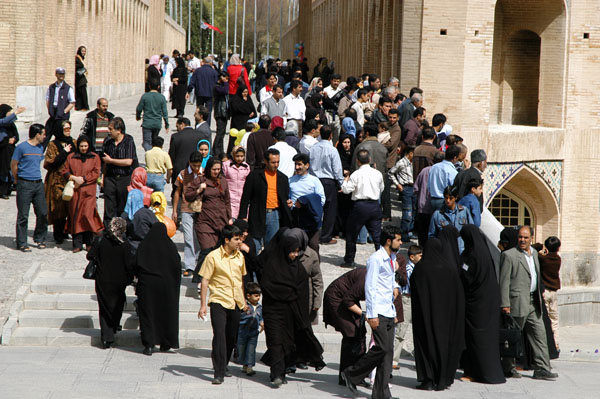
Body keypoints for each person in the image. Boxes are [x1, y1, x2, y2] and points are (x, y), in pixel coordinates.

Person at [258, 227, 326, 387]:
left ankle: (282, 371)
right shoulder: (272, 265)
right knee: (275, 341)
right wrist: (287, 293)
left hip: (291, 312)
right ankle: (276, 374)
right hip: (273, 310)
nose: (296, 255)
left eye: (297, 251)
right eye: (293, 252)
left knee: (287, 342)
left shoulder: (299, 269)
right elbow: (267, 286)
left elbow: (303, 292)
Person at [341, 224, 402, 399]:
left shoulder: (391, 257)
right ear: (389, 241)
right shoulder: (376, 259)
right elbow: (370, 286)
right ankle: (352, 374)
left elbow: (389, 278)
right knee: (381, 348)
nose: (401, 242)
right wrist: (372, 314)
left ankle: (382, 394)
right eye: (398, 239)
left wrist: (395, 286)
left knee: (387, 353)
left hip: (389, 310)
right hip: (379, 311)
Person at [499, 226, 559, 381]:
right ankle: (508, 367)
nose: (522, 240)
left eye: (525, 237)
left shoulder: (534, 254)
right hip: (517, 302)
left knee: (540, 335)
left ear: (531, 237)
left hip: (534, 302)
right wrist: (505, 303)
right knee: (512, 337)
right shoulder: (509, 255)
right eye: (520, 237)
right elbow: (504, 281)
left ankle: (542, 368)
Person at [410, 236, 465, 391]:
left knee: (425, 345)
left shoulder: (421, 268)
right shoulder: (449, 269)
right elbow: (458, 295)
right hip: (446, 319)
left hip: (425, 317)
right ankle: (443, 379)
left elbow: (414, 288)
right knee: (444, 346)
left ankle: (427, 380)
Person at [198, 225, 248, 385]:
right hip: (219, 300)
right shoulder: (213, 257)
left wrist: (244, 301)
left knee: (231, 336)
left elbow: (241, 280)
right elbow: (205, 280)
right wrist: (203, 305)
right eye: (236, 239)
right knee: (219, 335)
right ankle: (218, 372)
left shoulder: (240, 257)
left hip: (236, 302)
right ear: (227, 240)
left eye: (240, 239)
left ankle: (224, 363)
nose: (239, 242)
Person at [457, 225, 506, 383]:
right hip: (489, 304)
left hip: (476, 307)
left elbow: (467, 277)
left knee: (476, 340)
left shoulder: (472, 256)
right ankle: (488, 372)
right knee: (487, 340)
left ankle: (476, 372)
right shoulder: (485, 254)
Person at [135, 222, 181, 355]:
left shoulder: (144, 245)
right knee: (166, 314)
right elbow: (176, 267)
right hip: (167, 287)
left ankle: (149, 344)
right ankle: (166, 342)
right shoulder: (170, 247)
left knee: (148, 314)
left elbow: (136, 264)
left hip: (147, 286)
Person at [87, 217, 133, 348]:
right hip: (119, 282)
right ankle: (113, 327)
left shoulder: (100, 240)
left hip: (103, 280)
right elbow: (129, 264)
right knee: (117, 305)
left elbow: (90, 255)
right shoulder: (124, 244)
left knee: (104, 307)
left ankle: (107, 338)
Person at [238, 148, 293, 249]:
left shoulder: (283, 178)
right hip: (257, 214)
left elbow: (284, 197)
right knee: (255, 245)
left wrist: (288, 203)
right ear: (266, 161)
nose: (276, 165)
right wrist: (242, 216)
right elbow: (245, 198)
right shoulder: (255, 176)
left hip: (274, 215)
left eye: (278, 162)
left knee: (272, 247)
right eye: (273, 162)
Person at [341, 149, 384, 268]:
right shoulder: (377, 173)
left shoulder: (355, 174)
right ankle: (383, 260)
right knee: (377, 235)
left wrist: (345, 180)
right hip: (374, 205)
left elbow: (346, 190)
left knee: (351, 234)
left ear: (357, 161)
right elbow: (382, 188)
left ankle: (349, 260)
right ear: (369, 159)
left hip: (360, 206)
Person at [62, 135, 103, 252]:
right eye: (81, 146)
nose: (84, 148)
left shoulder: (95, 157)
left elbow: (96, 173)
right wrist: (74, 178)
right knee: (75, 215)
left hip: (88, 191)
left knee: (87, 215)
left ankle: (89, 242)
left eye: (85, 146)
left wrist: (84, 179)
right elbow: (65, 171)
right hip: (75, 191)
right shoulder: (71, 157)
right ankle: (77, 244)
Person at [11, 124, 48, 251]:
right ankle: (22, 242)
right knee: (23, 215)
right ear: (37, 134)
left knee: (43, 212)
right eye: (43, 133)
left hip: (38, 184)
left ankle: (40, 238)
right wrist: (17, 179)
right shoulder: (21, 148)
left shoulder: (40, 148)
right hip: (24, 184)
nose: (45, 136)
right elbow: (14, 165)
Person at [185, 157, 232, 251]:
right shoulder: (200, 180)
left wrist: (229, 217)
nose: (216, 172)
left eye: (218, 169)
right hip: (205, 222)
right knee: (207, 252)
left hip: (221, 221)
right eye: (214, 169)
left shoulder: (223, 181)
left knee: (219, 253)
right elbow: (187, 196)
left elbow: (227, 201)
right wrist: (198, 190)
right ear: (208, 168)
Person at [309, 125, 344, 245]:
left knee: (315, 207)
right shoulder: (332, 150)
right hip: (329, 182)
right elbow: (337, 169)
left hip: (314, 180)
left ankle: (312, 234)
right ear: (331, 136)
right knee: (330, 210)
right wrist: (341, 183)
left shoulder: (313, 148)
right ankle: (325, 236)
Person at [43, 120, 76, 245]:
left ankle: (67, 229)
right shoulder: (53, 145)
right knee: (58, 207)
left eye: (69, 128)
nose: (68, 131)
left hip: (71, 179)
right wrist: (64, 152)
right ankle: (58, 233)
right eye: (66, 129)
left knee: (70, 206)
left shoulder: (74, 142)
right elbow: (50, 162)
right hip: (56, 180)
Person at [102, 117, 138, 227]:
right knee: (109, 206)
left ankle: (121, 231)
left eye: (111, 129)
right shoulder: (107, 142)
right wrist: (102, 178)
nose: (108, 131)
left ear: (119, 130)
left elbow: (128, 161)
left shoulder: (128, 141)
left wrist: (111, 161)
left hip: (124, 178)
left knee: (122, 206)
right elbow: (104, 162)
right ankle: (108, 231)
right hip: (110, 178)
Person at [172, 151, 202, 277]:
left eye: (198, 166)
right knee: (188, 237)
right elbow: (177, 192)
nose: (196, 168)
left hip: (200, 210)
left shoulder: (205, 172)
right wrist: (174, 211)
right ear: (190, 163)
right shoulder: (183, 174)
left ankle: (199, 263)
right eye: (194, 165)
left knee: (199, 237)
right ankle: (190, 266)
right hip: (186, 209)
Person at [393, 245, 422, 368]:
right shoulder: (410, 269)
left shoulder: (417, 268)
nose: (422, 258)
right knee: (401, 330)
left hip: (414, 300)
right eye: (420, 256)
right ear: (412, 257)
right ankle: (394, 359)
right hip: (407, 299)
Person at [428, 186, 473, 253]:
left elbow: (471, 231)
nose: (448, 200)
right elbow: (432, 235)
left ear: (456, 198)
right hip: (445, 252)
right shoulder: (437, 214)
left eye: (451, 198)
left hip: (462, 250)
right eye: (446, 198)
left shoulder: (464, 211)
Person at [169, 117, 207, 194]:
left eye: (177, 126)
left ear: (182, 124)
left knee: (177, 192)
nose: (177, 129)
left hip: (179, 169)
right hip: (197, 169)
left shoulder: (176, 136)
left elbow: (171, 156)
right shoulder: (201, 136)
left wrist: (169, 171)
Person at [237, 282, 264, 377]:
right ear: (248, 296)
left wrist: (262, 323)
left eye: (259, 296)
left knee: (251, 349)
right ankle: (244, 364)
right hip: (242, 331)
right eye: (256, 296)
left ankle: (249, 366)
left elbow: (260, 317)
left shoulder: (260, 307)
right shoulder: (244, 306)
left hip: (253, 332)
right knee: (241, 348)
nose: (258, 298)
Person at [389, 146, 415, 242]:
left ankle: (410, 231)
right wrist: (398, 184)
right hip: (406, 188)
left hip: (414, 188)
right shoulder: (401, 163)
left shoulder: (413, 163)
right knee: (407, 212)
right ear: (410, 153)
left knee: (413, 211)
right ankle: (403, 234)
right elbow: (391, 173)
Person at [539, 236, 562, 350]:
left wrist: (541, 249)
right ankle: (556, 343)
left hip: (544, 292)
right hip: (553, 293)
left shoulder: (543, 259)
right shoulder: (558, 259)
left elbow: (534, 248)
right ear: (558, 248)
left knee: (545, 319)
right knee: (554, 319)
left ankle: (546, 344)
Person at [44, 67, 76, 148]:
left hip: (62, 116)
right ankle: (40, 153)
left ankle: (63, 151)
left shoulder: (68, 88)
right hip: (53, 114)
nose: (61, 76)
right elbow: (48, 99)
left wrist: (64, 111)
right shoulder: (51, 87)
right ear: (56, 74)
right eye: (59, 74)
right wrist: (50, 110)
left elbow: (72, 102)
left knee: (61, 135)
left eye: (63, 74)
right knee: (46, 134)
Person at [136, 78, 169, 151]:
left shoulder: (145, 96)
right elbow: (165, 112)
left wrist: (138, 116)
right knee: (154, 143)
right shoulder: (162, 97)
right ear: (158, 87)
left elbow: (139, 108)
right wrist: (167, 124)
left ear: (149, 86)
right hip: (157, 124)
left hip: (147, 123)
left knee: (146, 143)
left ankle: (150, 156)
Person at [0, 105, 23, 198]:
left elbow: (16, 135)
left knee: (11, 168)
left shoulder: (11, 125)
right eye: (9, 112)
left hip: (10, 150)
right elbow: (4, 121)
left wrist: (14, 139)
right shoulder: (2, 123)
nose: (10, 114)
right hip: (2, 151)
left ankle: (9, 188)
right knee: (3, 170)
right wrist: (16, 113)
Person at [187, 57, 219, 125]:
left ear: (203, 62)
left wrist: (188, 91)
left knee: (199, 110)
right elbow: (217, 84)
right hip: (210, 94)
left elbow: (192, 82)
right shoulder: (214, 72)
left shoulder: (197, 71)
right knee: (208, 111)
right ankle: (206, 126)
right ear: (211, 63)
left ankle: (198, 125)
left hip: (199, 93)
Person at [427, 145, 460, 211]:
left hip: (432, 200)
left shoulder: (434, 167)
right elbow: (453, 188)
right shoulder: (452, 171)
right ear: (455, 157)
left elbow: (428, 185)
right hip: (444, 201)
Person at [222, 146, 251, 218]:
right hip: (230, 198)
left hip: (242, 198)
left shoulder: (246, 167)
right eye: (237, 156)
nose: (239, 158)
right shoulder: (226, 165)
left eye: (242, 156)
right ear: (233, 155)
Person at [213, 71, 230, 156]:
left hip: (224, 113)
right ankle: (215, 150)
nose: (227, 80)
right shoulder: (217, 86)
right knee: (219, 132)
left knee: (222, 133)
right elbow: (225, 91)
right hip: (220, 112)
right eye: (225, 78)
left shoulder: (222, 86)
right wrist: (226, 82)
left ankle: (220, 150)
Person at [74, 46, 89, 111]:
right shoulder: (77, 58)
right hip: (79, 80)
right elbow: (80, 65)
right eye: (82, 51)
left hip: (81, 80)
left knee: (83, 94)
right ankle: (80, 107)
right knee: (80, 94)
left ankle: (85, 107)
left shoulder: (81, 58)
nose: (84, 52)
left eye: (84, 51)